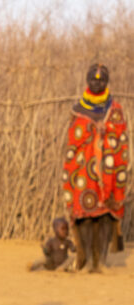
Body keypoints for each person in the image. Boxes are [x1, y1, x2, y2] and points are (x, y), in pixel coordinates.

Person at [62, 63, 128, 272]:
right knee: (85, 214)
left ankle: (102, 261)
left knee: (106, 214)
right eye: (93, 79)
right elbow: (74, 140)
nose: (97, 82)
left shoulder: (114, 109)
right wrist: (92, 129)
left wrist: (106, 130)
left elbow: (121, 136)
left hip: (108, 170)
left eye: (101, 80)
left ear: (107, 82)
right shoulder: (78, 109)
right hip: (84, 171)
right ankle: (86, 258)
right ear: (86, 81)